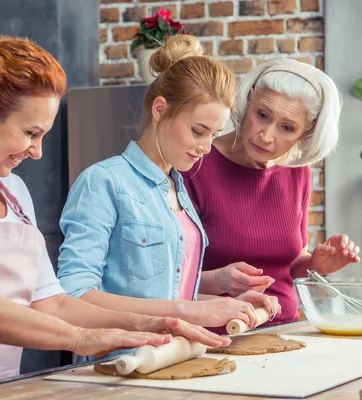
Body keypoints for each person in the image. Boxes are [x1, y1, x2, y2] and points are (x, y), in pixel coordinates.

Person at [0, 15, 226, 400]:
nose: (37, 152)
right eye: (31, 133)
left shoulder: (13, 191)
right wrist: (82, 338)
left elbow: (53, 303)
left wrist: (155, 323)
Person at [58, 35, 281, 363]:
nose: (206, 147)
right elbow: (74, 295)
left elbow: (162, 289)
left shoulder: (178, 187)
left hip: (173, 361)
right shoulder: (102, 182)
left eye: (213, 135)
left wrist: (220, 294)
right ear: (160, 110)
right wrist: (189, 310)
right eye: (198, 130)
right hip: (116, 368)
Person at [182, 59, 361, 328]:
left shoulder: (297, 173)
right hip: (215, 335)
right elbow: (168, 278)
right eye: (262, 115)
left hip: (286, 330)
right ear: (249, 100)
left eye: (287, 127)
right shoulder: (195, 165)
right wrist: (220, 279)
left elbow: (289, 264)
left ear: (306, 132)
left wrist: (317, 263)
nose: (265, 135)